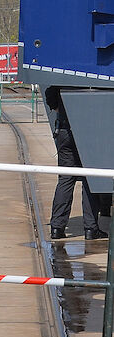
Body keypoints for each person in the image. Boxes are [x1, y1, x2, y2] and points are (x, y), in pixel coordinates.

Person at [46, 87, 107, 240]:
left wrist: (58, 107)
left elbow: (50, 92)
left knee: (66, 180)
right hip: (91, 132)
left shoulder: (63, 75)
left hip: (65, 129)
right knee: (89, 179)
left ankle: (57, 227)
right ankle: (91, 228)